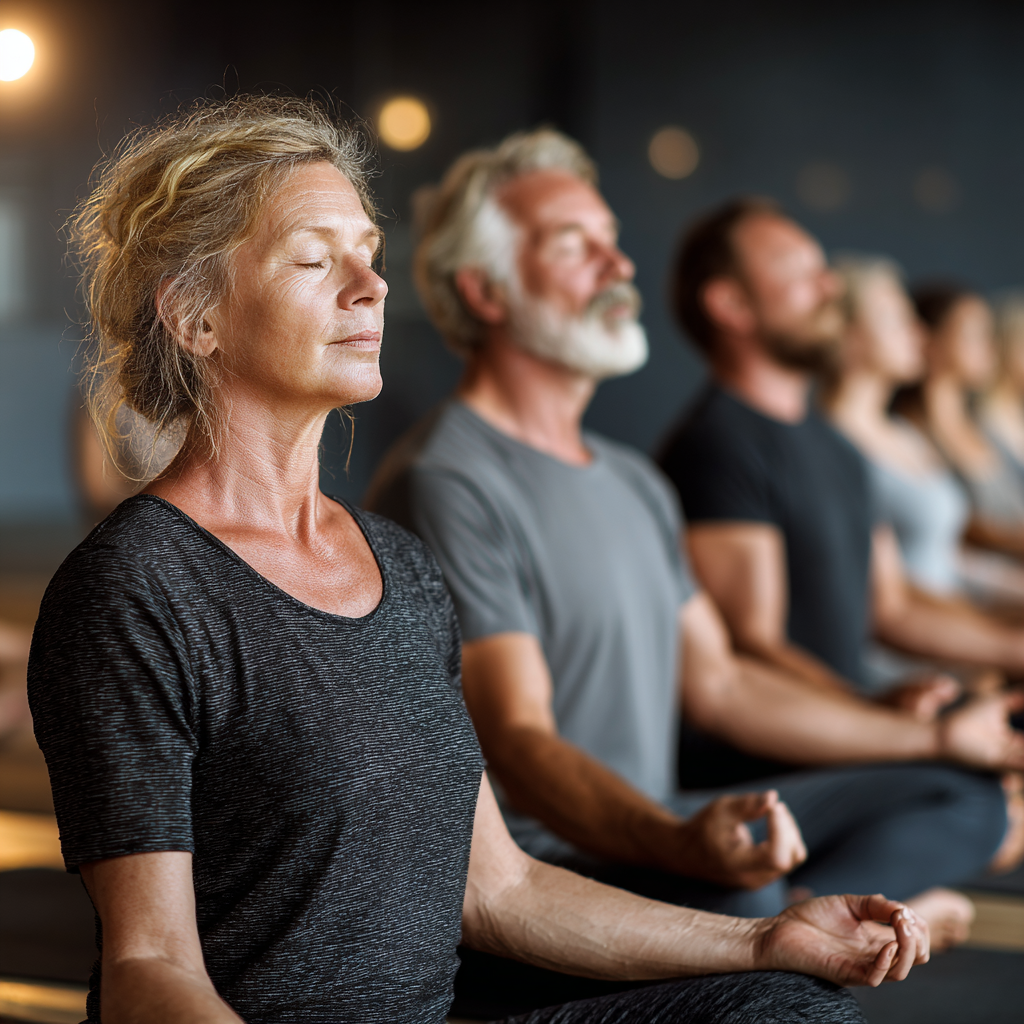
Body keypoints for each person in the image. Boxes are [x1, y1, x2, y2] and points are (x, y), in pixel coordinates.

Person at [25, 97, 921, 1024]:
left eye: (368, 252)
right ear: (196, 316)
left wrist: (764, 941)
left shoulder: (398, 568)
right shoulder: (133, 592)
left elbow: (499, 891)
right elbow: (148, 968)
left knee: (788, 1006)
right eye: (312, 259)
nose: (368, 286)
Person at [366, 130, 1014, 1013]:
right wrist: (680, 843)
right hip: (559, 867)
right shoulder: (445, 479)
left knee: (961, 793)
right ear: (484, 291)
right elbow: (517, 743)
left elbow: (720, 682)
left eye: (612, 237)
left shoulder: (632, 477)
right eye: (574, 244)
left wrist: (928, 736)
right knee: (750, 913)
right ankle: (787, 924)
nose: (618, 262)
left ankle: (791, 915)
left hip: (664, 826)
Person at [658, 199, 1024, 699]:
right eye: (799, 272)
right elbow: (750, 647)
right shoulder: (716, 446)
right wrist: (876, 715)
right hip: (783, 759)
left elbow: (889, 607)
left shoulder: (835, 446)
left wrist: (1010, 648)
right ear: (731, 305)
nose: (828, 287)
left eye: (822, 269)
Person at [907, 282, 1024, 562]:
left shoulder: (984, 428)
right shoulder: (914, 432)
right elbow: (960, 527)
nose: (990, 347)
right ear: (931, 342)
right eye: (975, 335)